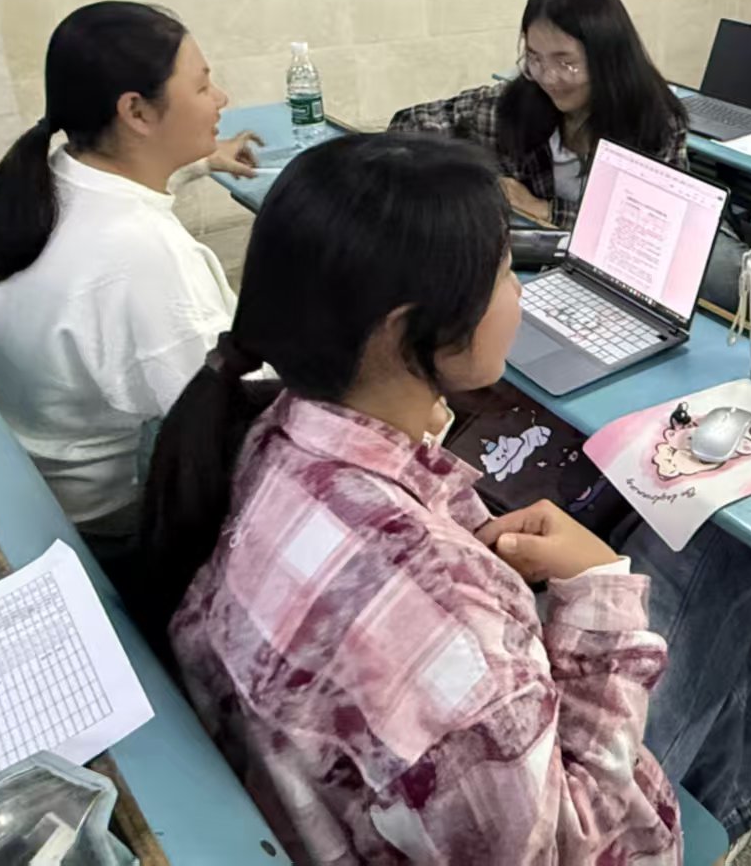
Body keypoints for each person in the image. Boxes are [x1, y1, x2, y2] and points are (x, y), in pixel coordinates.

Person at [138, 132, 682, 864]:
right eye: (502, 274)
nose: (518, 293)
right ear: (403, 334)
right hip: (589, 830)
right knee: (698, 568)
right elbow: (556, 846)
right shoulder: (447, 617)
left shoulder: (263, 428)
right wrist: (599, 590)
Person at [0, 1, 260, 558]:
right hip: (107, 521)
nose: (221, 98)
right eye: (202, 85)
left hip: (31, 468)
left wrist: (203, 161)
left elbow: (116, 209)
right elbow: (229, 415)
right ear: (136, 111)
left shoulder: (38, 188)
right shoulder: (146, 259)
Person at [389, 0, 687, 228]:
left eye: (566, 63)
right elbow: (409, 126)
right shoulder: (517, 102)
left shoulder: (655, 123)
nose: (548, 78)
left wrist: (545, 210)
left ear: (607, 60)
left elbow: (653, 229)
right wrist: (473, 186)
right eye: (535, 58)